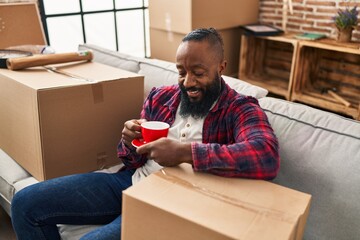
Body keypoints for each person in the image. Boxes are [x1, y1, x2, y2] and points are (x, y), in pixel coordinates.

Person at [11, 27, 280, 240]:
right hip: (130, 181)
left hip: (173, 201)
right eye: (181, 71)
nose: (188, 82)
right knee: (25, 203)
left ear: (221, 67)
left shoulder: (239, 108)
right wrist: (128, 141)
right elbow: (131, 160)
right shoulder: (161, 97)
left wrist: (185, 153)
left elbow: (266, 156)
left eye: (198, 73)